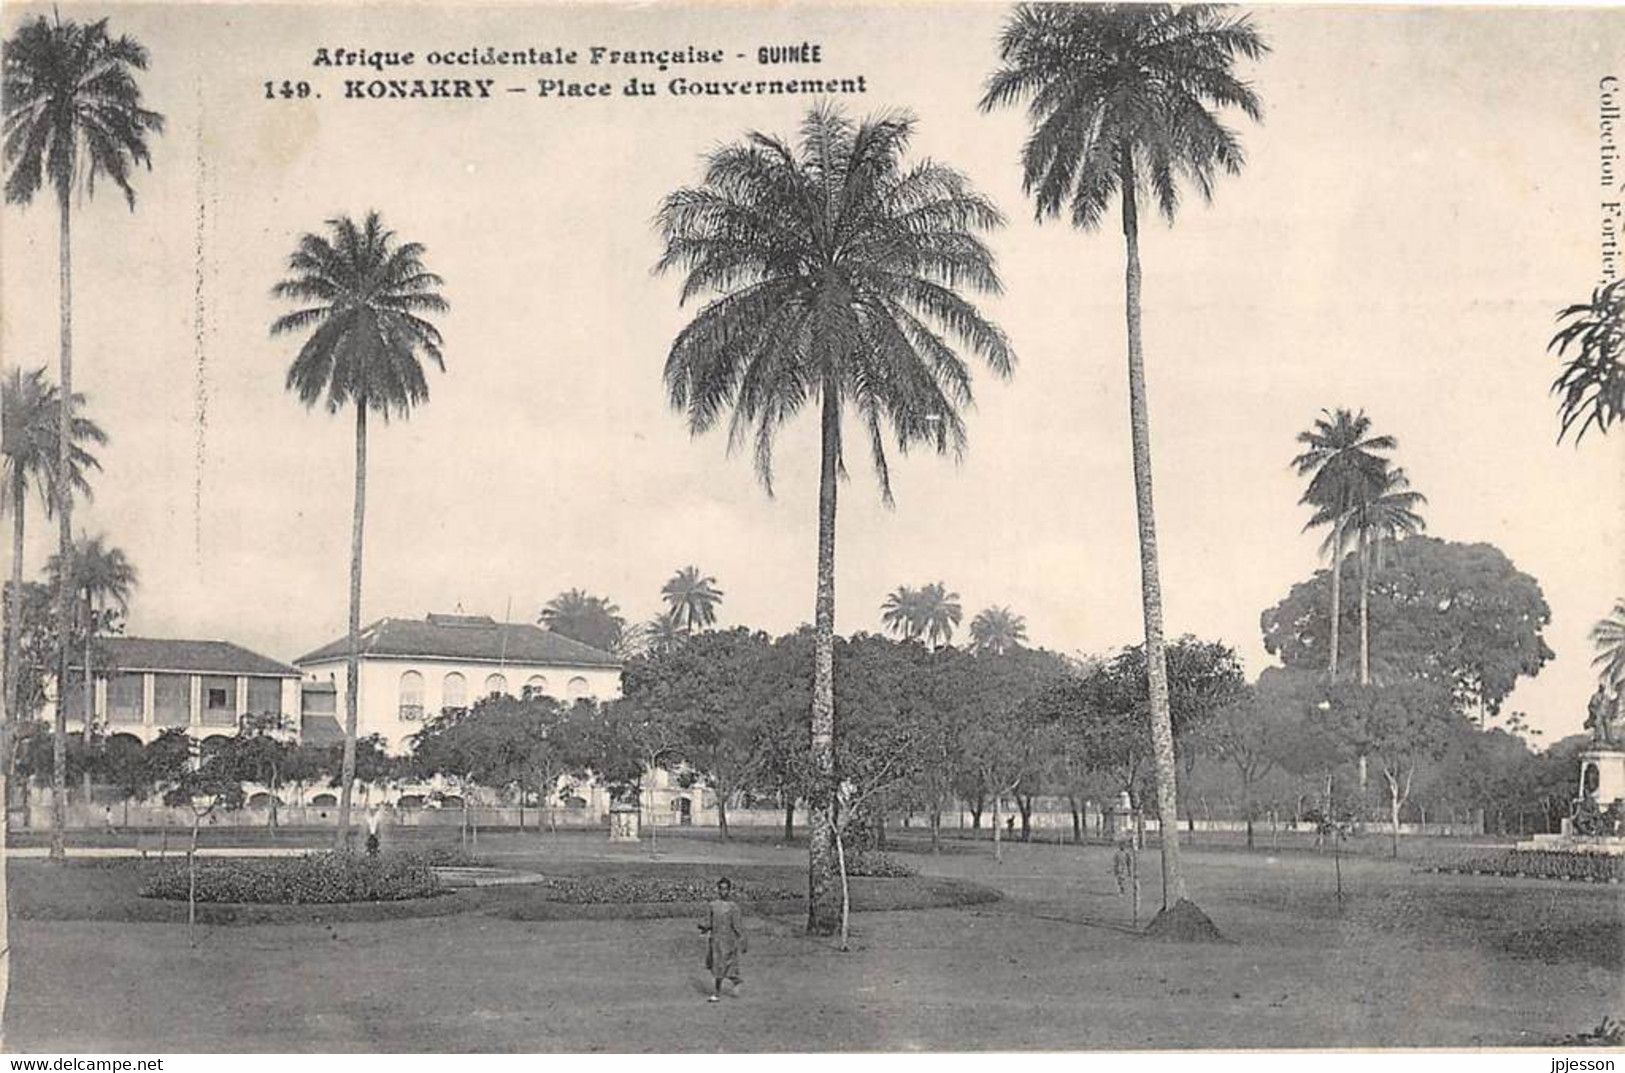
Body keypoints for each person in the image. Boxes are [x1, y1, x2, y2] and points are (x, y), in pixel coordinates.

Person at [698, 877, 747, 1002]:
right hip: (715, 941)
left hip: (728, 941)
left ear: (729, 890)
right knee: (716, 968)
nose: (723, 892)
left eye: (726, 889)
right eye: (721, 889)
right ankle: (721, 990)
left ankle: (729, 986)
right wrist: (704, 928)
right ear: (718, 890)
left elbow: (738, 926)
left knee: (725, 967)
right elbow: (710, 923)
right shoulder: (712, 905)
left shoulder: (733, 907)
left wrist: (742, 940)